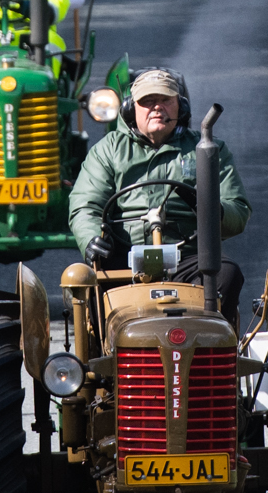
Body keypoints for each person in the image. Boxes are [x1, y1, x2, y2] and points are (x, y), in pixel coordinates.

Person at [68, 68, 249, 312]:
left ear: (180, 107)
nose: (157, 107)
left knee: (227, 274)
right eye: (148, 101)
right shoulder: (108, 150)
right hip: (125, 257)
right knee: (82, 279)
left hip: (189, 258)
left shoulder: (208, 149)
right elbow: (85, 206)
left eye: (165, 100)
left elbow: (237, 210)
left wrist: (211, 208)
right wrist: (91, 238)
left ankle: (208, 343)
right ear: (131, 110)